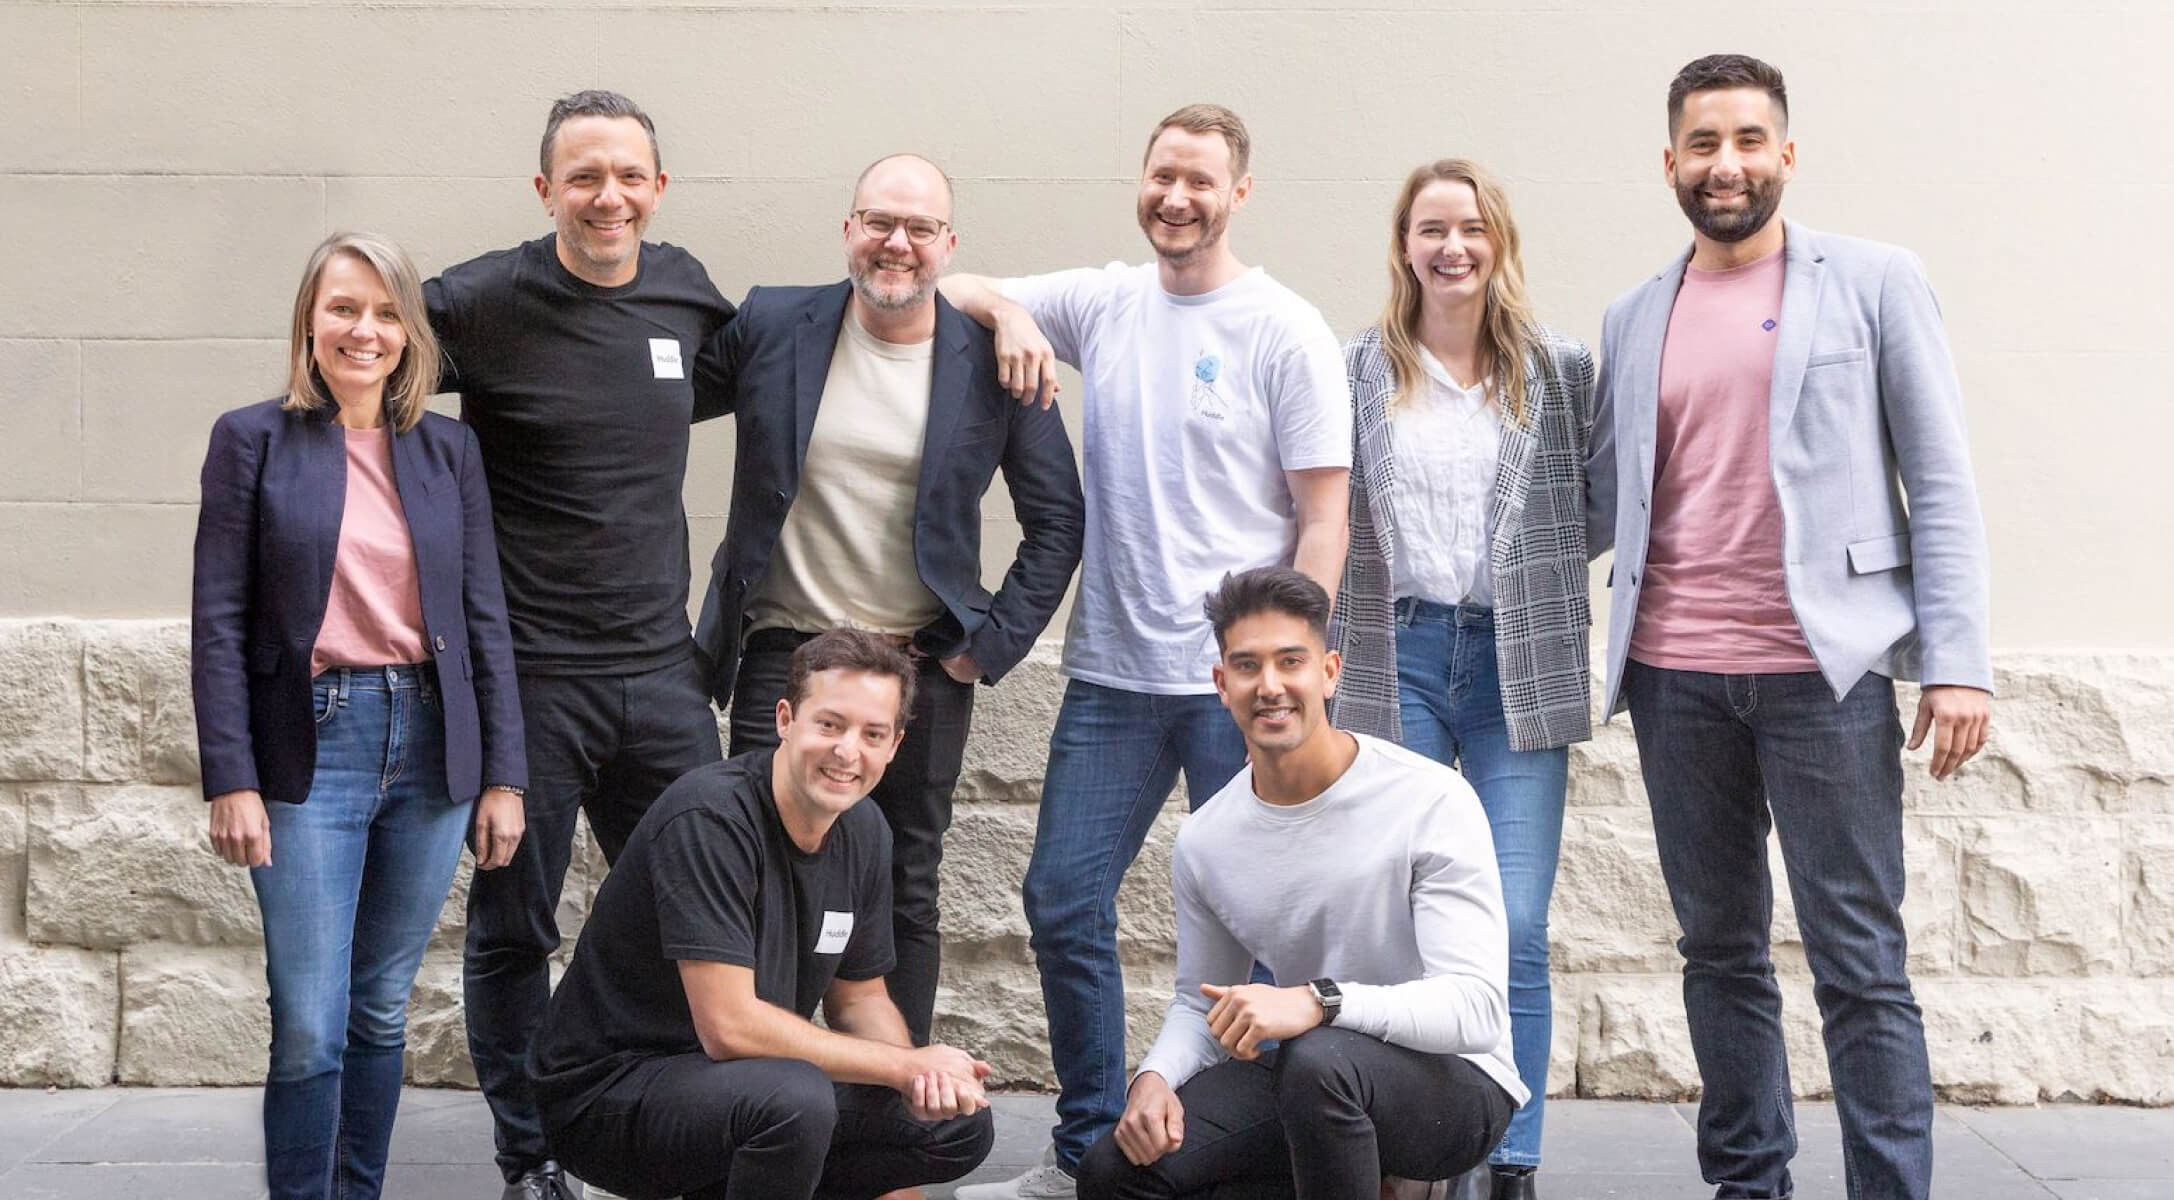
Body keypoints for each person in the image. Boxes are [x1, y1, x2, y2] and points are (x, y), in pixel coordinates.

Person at [1586, 53, 1993, 1200]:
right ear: (1669, 163)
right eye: (1702, 144)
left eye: (1747, 140)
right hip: (1673, 678)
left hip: (1827, 674)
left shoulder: (1870, 282)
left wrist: (1954, 664)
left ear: (1785, 153)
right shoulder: (1632, 313)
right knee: (1717, 957)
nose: (1726, 164)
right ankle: (1746, 1184)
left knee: (1858, 963)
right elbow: (1597, 500)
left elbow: (1941, 480)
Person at [943, 104, 1352, 1199]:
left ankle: (1245, 1156)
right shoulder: (1107, 302)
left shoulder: (1283, 328)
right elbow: (950, 281)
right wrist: (1013, 321)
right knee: (1060, 900)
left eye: (1200, 180)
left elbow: (1322, 517)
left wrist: (1290, 666)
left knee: (1269, 938)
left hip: (1242, 692)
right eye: (1161, 175)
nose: (1176, 197)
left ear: (1239, 192)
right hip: (1114, 680)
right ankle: (1086, 1149)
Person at [692, 152, 1084, 1050]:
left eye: (917, 228)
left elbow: (1059, 520)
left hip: (918, 665)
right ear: (848, 230)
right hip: (784, 655)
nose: (895, 243)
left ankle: (891, 1122)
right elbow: (652, 397)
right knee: (762, 871)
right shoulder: (774, 322)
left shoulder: (992, 357)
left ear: (948, 245)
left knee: (906, 884)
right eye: (878, 222)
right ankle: (766, 1100)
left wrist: (982, 648)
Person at [423, 89, 738, 1199]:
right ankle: (530, 1155)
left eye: (629, 175)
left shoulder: (683, 290)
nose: (609, 195)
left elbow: (802, 350)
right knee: (514, 929)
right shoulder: (476, 302)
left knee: (706, 913)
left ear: (657, 187)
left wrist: (989, 302)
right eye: (584, 175)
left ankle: (670, 1122)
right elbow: (355, 358)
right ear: (545, 188)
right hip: (531, 682)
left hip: (660, 676)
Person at [191, 232, 527, 1200]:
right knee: (308, 1014)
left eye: (385, 313)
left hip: (429, 743)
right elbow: (218, 621)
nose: (364, 330)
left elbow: (483, 616)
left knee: (381, 1006)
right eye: (344, 308)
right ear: (309, 319)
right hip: (310, 743)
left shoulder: (447, 449)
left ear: (410, 332)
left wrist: (501, 773)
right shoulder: (250, 439)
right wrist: (231, 776)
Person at [1075, 567, 1525, 1200]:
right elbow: (1201, 1003)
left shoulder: (1429, 798)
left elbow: (1475, 1011)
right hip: (1313, 1074)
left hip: (1454, 1084)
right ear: (1221, 684)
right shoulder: (1208, 839)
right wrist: (1152, 1078)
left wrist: (1320, 1001)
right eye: (1247, 666)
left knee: (1320, 1061)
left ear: (1330, 672)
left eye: (1292, 661)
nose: (1271, 686)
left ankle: (1420, 1182)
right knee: (1114, 1173)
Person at [1328, 159, 1596, 1200]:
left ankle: (1510, 1161)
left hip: (1510, 661)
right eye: (1431, 228)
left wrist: (1532, 581)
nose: (1452, 247)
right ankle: (1412, 1150)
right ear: (1403, 245)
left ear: (1498, 243)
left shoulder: (1557, 368)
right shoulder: (1356, 367)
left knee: (1513, 921)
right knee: (1396, 916)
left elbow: (1594, 501)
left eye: (1471, 229)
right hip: (1392, 656)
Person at [529, 630, 996, 1199]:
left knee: (955, 1122)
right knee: (793, 1099)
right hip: (612, 1095)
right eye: (830, 724)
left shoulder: (866, 830)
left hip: (743, 1090)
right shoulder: (710, 817)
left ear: (895, 745)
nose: (848, 752)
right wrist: (900, 1068)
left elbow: (861, 999)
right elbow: (729, 1027)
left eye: (872, 734)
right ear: (785, 720)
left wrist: (917, 1077)